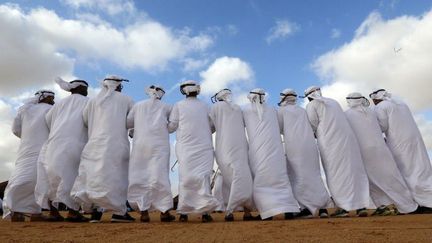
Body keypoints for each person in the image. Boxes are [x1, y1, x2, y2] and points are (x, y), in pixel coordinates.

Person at [71, 75, 135, 223]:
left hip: (94, 144)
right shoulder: (126, 99)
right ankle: (119, 213)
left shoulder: (93, 101)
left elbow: (86, 120)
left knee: (93, 176)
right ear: (118, 85)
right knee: (116, 177)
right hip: (115, 143)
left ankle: (95, 213)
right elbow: (132, 120)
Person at [345, 92, 419, 215]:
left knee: (372, 180)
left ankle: (383, 206)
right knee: (392, 176)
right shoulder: (371, 111)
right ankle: (406, 205)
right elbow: (382, 127)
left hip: (364, 151)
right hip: (382, 148)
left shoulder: (346, 114)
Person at [304, 86, 369, 217]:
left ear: (309, 97)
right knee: (352, 171)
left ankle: (344, 207)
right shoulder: (333, 102)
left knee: (336, 173)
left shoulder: (312, 105)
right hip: (347, 140)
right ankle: (360, 206)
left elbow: (313, 124)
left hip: (329, 143)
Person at [33, 78, 90, 222]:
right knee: (73, 177)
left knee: (52, 178)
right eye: (86, 88)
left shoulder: (58, 105)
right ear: (81, 89)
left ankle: (53, 212)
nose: (87, 91)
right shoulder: (88, 102)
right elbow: (91, 121)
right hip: (75, 142)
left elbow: (48, 120)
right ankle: (72, 212)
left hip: (53, 143)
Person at [370, 89, 432, 213]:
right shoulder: (401, 104)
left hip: (399, 143)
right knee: (421, 169)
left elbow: (382, 127)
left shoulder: (381, 107)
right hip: (415, 141)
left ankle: (418, 203)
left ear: (376, 98)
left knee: (406, 171)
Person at [243, 88, 299, 220]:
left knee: (262, 179)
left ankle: (267, 213)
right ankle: (288, 210)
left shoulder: (245, 110)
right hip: (276, 149)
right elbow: (279, 127)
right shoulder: (273, 110)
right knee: (281, 178)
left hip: (258, 151)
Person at [168, 80, 219, 223]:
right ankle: (204, 213)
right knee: (203, 178)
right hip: (204, 146)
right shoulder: (206, 105)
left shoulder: (178, 105)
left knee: (186, 178)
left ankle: (184, 212)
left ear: (183, 91)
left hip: (186, 147)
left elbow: (171, 127)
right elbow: (213, 126)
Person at [277, 89, 332, 218]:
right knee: (314, 174)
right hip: (310, 145)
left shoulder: (281, 111)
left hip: (295, 146)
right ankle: (323, 208)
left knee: (299, 176)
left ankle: (307, 208)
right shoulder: (302, 111)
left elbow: (279, 128)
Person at [3, 90, 55, 222]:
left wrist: (28, 136)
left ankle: (16, 211)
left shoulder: (25, 110)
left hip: (26, 148)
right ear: (43, 97)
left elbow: (15, 129)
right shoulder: (52, 110)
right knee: (39, 179)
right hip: (44, 148)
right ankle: (35, 214)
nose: (53, 100)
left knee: (21, 176)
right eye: (51, 97)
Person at [127, 85, 176, 223]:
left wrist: (137, 130)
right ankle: (164, 213)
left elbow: (129, 122)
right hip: (159, 145)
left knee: (140, 176)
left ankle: (144, 213)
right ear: (161, 94)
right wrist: (162, 128)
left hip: (140, 144)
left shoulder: (138, 106)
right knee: (159, 176)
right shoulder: (167, 106)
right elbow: (173, 126)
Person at [209, 89, 255, 221]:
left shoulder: (215, 107)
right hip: (240, 146)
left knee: (229, 178)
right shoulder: (238, 108)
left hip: (224, 147)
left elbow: (210, 127)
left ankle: (229, 211)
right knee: (243, 175)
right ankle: (246, 212)